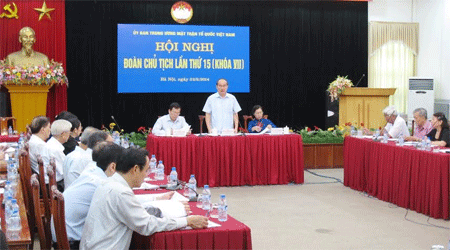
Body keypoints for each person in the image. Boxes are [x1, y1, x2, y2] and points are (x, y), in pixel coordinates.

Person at [80, 147, 208, 250]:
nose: (146, 175)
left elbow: (132, 210)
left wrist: (157, 200)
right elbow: (147, 225)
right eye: (146, 171)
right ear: (135, 169)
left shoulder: (109, 183)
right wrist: (187, 221)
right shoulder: (121, 192)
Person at [42, 119, 72, 191]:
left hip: (51, 183)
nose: (70, 134)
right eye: (69, 132)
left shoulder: (51, 143)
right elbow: (64, 172)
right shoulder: (55, 149)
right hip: (54, 186)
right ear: (63, 134)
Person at [28, 116, 51, 183]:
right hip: (46, 181)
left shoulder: (33, 140)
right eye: (49, 127)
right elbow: (46, 168)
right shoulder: (40, 145)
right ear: (43, 129)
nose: (50, 130)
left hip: (41, 178)